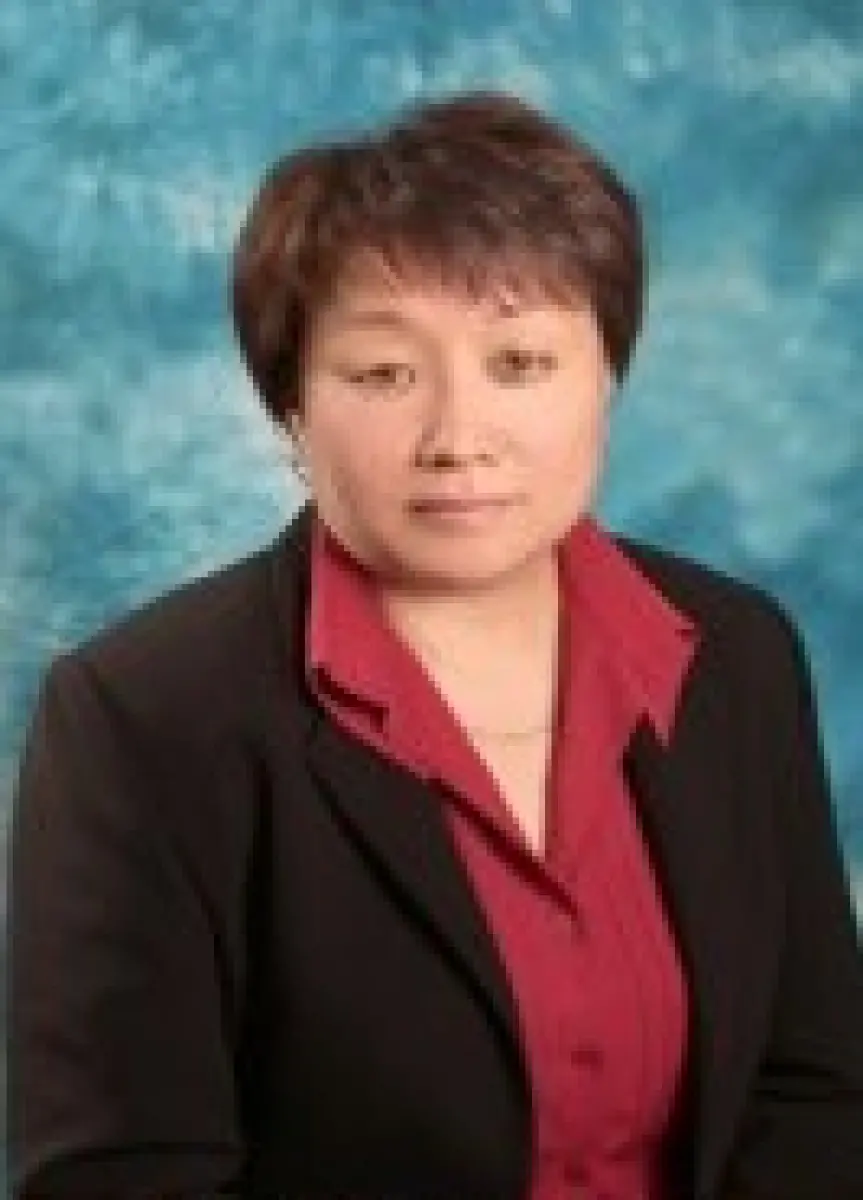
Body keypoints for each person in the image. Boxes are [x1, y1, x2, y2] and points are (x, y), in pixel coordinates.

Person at [6, 88, 863, 1200]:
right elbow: (119, 1178)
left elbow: (811, 1088)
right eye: (383, 375)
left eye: (520, 363)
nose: (459, 438)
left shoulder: (735, 654)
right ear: (290, 411)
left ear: (604, 380)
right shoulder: (142, 717)